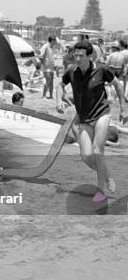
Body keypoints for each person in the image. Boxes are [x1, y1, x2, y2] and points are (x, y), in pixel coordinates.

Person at [55, 40, 126, 202]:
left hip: (102, 115)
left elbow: (118, 86)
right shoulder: (72, 70)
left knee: (97, 151)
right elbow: (60, 85)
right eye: (75, 55)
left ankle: (101, 190)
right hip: (85, 119)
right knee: (86, 156)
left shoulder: (102, 70)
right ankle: (107, 176)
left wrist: (123, 107)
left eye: (81, 56)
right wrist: (58, 100)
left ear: (89, 56)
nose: (77, 58)